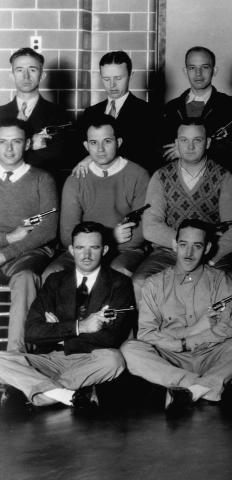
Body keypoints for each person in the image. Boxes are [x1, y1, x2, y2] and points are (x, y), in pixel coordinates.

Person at [120, 220, 232, 410]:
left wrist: (187, 341)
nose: (188, 253)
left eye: (197, 246)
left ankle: (188, 389)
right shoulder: (154, 284)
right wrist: (186, 338)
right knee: (130, 349)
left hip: (213, 354)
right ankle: (207, 386)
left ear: (207, 248)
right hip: (170, 357)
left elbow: (228, 329)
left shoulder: (220, 280)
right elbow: (146, 334)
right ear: (174, 245)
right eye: (183, 245)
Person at [0, 222, 130, 409]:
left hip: (90, 360)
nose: (86, 255)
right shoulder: (55, 281)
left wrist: (57, 331)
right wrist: (80, 326)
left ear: (105, 249)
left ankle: (40, 391)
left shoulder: (120, 284)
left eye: (94, 248)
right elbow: (32, 332)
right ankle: (65, 395)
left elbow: (110, 338)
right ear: (71, 250)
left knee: (114, 359)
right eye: (80, 248)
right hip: (50, 360)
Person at [133, 119, 232, 298]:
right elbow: (151, 227)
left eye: (197, 140)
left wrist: (212, 256)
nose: (190, 146)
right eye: (184, 140)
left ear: (207, 143)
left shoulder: (224, 177)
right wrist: (186, 248)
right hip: (168, 252)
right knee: (140, 281)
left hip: (210, 252)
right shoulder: (161, 176)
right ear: (177, 143)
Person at [44, 115, 150, 281]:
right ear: (86, 146)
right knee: (53, 273)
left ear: (118, 142)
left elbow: (138, 236)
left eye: (107, 141)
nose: (100, 149)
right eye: (94, 143)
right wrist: (111, 236)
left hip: (125, 251)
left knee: (118, 272)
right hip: (82, 251)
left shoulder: (138, 175)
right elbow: (66, 236)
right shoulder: (76, 179)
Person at [0, 119, 58, 352]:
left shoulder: (42, 179)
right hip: (7, 247)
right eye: (2, 142)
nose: (9, 148)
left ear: (27, 145)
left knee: (25, 278)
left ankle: (17, 358)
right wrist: (8, 239)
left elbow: (47, 230)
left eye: (16, 142)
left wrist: (6, 254)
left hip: (31, 251)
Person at [160, 46, 232, 168]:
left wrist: (187, 153)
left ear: (214, 71)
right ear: (185, 71)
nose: (198, 74)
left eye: (205, 67)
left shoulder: (231, 106)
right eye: (192, 68)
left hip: (217, 179)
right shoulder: (171, 108)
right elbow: (162, 149)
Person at [0, 48, 72, 180]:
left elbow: (59, 156)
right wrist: (31, 143)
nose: (26, 76)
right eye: (19, 70)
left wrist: (13, 151)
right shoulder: (1, 113)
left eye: (32, 70)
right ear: (12, 75)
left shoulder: (59, 114)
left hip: (43, 187)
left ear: (42, 75)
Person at [81, 51, 159, 172]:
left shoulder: (149, 113)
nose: (112, 85)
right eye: (106, 79)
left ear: (130, 75)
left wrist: (91, 158)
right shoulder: (90, 113)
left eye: (118, 78)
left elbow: (149, 157)